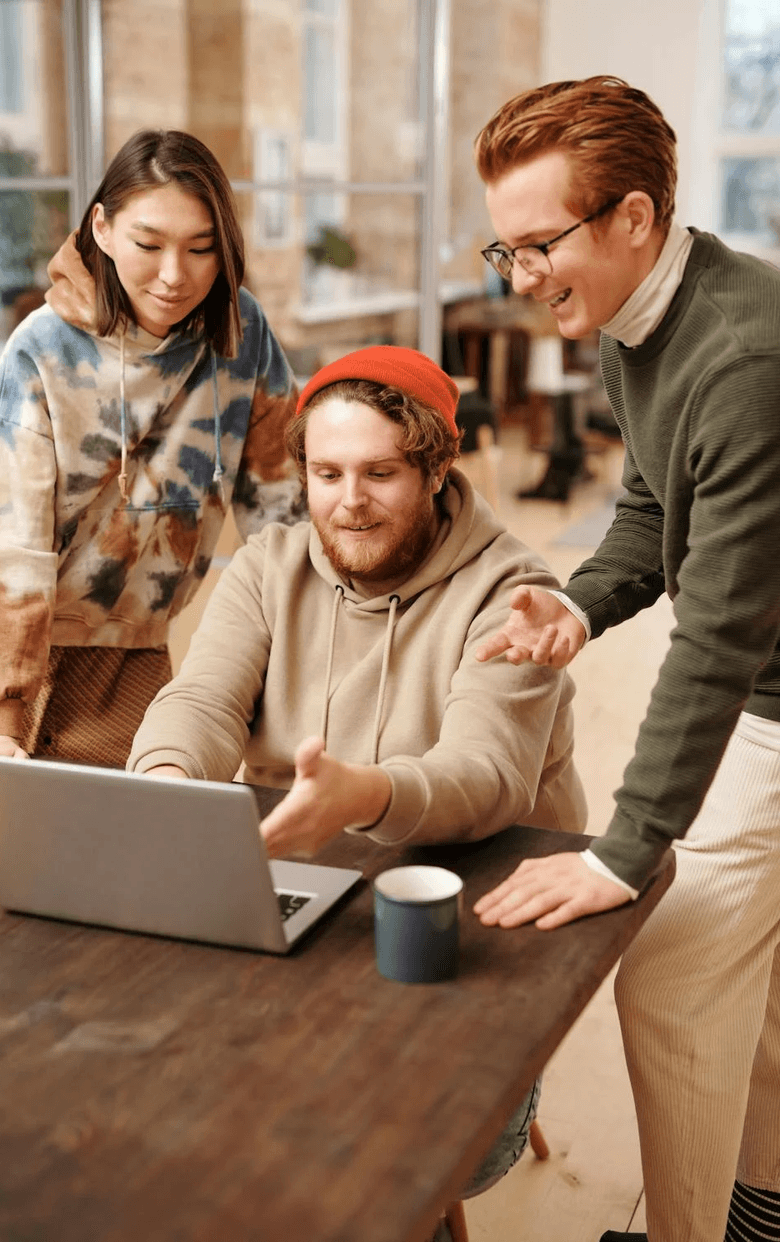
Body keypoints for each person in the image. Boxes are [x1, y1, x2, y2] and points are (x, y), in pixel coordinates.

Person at [127, 345, 587, 1229]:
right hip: (309, 881)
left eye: (380, 473)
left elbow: (487, 774)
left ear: (436, 468)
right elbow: (202, 700)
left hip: (472, 906)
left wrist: (364, 796)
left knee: (417, 1154)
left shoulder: (516, 593)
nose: (349, 501)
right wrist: (168, 783)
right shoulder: (268, 566)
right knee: (178, 1085)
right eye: (327, 473)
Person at [470, 75, 780, 1242]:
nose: (521, 276)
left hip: (771, 691)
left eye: (540, 245)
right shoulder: (632, 324)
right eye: (505, 250)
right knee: (759, 988)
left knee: (676, 971)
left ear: (635, 217)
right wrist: (578, 604)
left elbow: (725, 631)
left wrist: (624, 850)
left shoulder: (743, 354)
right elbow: (653, 505)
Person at [0, 129, 305, 770]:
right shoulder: (42, 349)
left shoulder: (242, 333)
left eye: (201, 249)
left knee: (128, 826)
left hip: (131, 646)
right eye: (148, 244)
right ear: (103, 229)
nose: (174, 275)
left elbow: (283, 511)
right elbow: (13, 542)